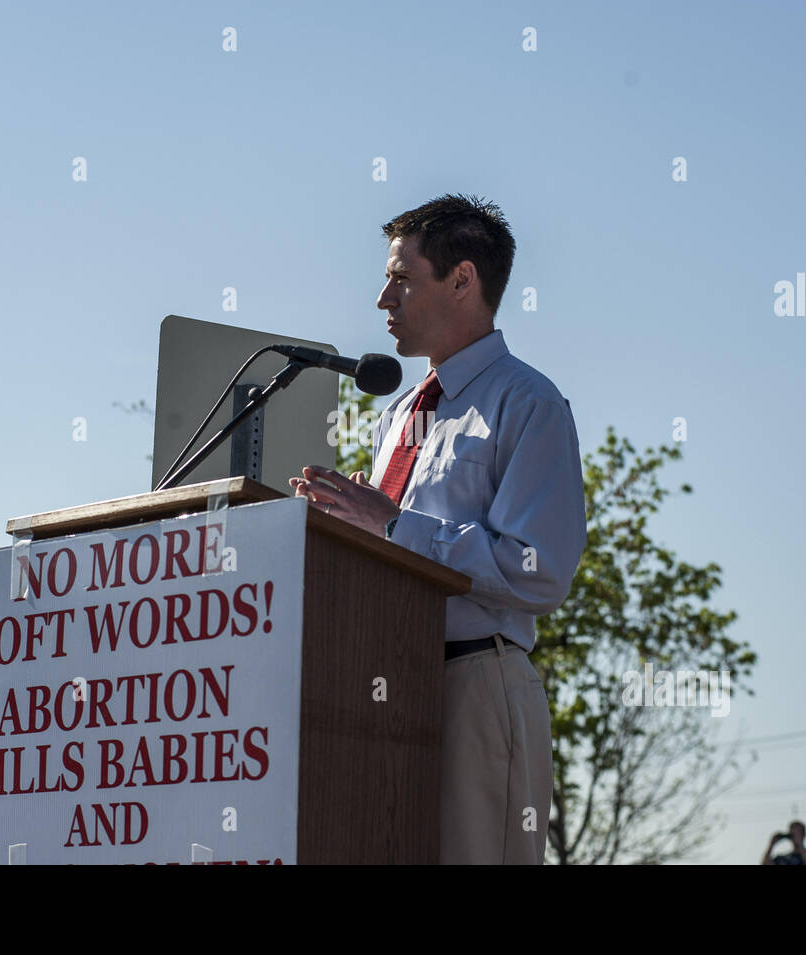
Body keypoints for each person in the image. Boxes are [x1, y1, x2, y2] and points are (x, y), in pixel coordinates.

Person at [288, 193, 586, 864]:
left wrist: (392, 524)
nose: (381, 299)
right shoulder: (399, 414)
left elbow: (537, 569)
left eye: (400, 277)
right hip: (375, 692)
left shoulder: (528, 403)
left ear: (462, 279)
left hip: (474, 684)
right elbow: (389, 540)